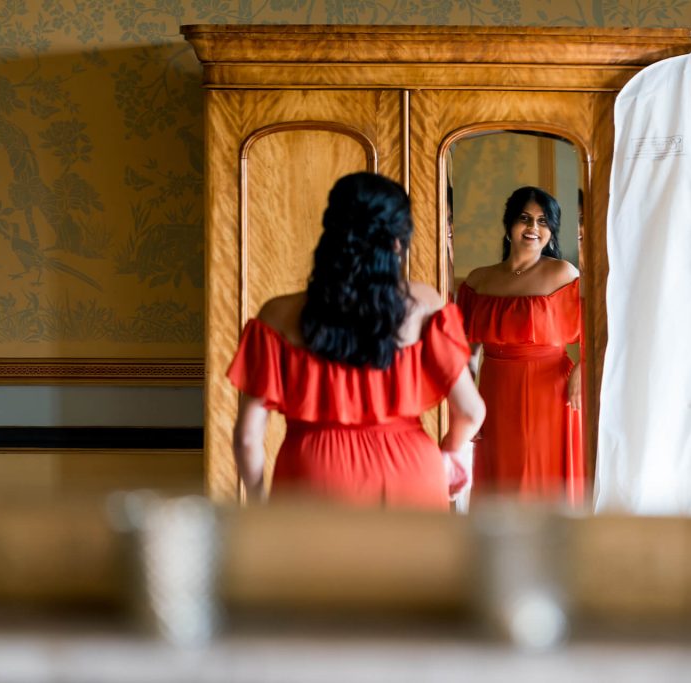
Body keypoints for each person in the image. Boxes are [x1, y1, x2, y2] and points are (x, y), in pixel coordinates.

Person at [227, 172, 485, 509]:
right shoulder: (426, 305)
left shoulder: (277, 315)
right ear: (397, 240)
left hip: (314, 475)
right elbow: (470, 410)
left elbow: (248, 438)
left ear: (332, 230)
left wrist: (259, 505)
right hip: (413, 473)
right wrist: (450, 452)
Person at [456, 186, 584, 505]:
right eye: (525, 219)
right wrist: (465, 404)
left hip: (551, 391)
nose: (533, 228)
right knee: (500, 479)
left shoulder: (563, 274)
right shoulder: (478, 280)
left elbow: (600, 331)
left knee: (543, 479)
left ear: (551, 231)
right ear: (509, 223)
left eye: (543, 221)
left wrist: (584, 369)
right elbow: (462, 351)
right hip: (494, 389)